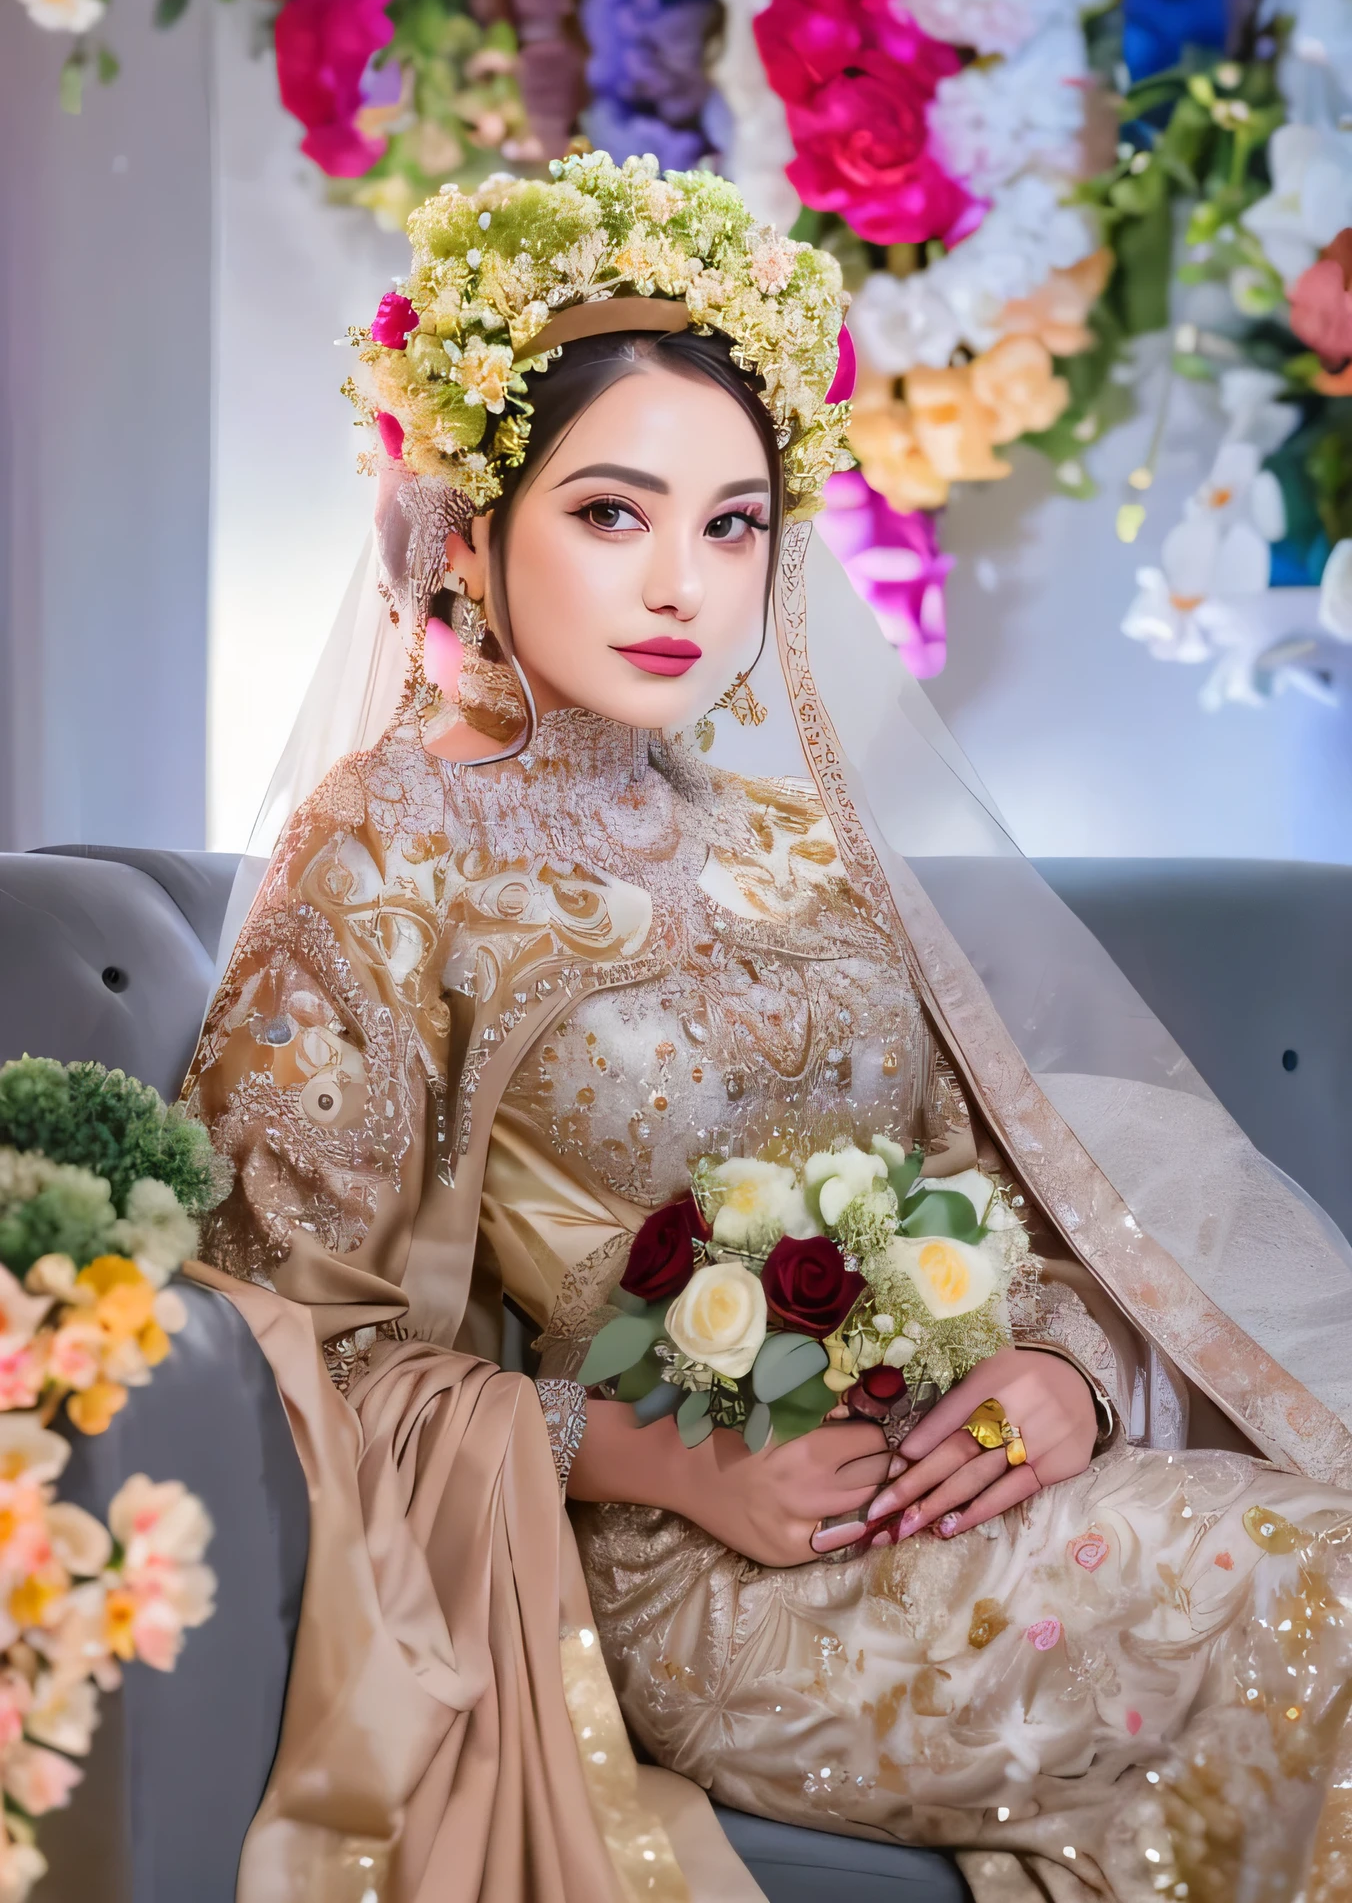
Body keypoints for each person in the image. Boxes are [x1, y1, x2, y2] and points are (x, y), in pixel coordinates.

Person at [184, 153, 1352, 1903]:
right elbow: (285, 1336)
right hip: (709, 1574)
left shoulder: (799, 838)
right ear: (471, 522)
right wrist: (668, 1463)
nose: (684, 586)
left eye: (734, 524)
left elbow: (1001, 1188)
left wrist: (1059, 1381)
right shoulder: (386, 848)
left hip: (992, 1500)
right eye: (611, 513)